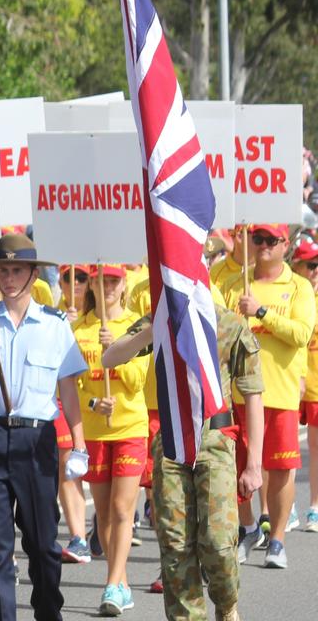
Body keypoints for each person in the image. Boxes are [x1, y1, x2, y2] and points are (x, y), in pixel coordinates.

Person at [102, 303, 264, 621]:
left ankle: (226, 602)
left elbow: (253, 394)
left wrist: (253, 464)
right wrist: (153, 330)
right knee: (176, 544)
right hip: (172, 441)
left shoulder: (230, 323)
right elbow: (111, 357)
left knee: (218, 542)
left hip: (216, 440)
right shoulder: (162, 318)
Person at [0, 233, 88, 621]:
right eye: (2, 269)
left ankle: (48, 615)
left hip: (36, 439)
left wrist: (80, 444)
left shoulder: (54, 325)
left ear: (33, 274)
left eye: (17, 269)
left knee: (42, 544)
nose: (8, 277)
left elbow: (67, 388)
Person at [222, 223, 315, 568]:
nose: (262, 245)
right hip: (240, 393)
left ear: (284, 244)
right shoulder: (234, 283)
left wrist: (261, 312)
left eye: (270, 240)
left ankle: (277, 538)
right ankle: (248, 527)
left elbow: (302, 334)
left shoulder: (299, 286)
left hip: (279, 392)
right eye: (257, 238)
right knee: (236, 467)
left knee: (279, 469)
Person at [71, 264, 147, 614]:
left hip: (130, 427)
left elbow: (137, 381)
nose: (108, 287)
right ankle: (121, 580)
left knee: (121, 508)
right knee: (102, 513)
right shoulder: (78, 329)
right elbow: (74, 387)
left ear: (123, 284)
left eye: (114, 280)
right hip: (95, 430)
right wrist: (93, 403)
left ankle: (112, 585)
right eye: (101, 280)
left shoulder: (137, 324)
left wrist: (115, 350)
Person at [54, 263, 91, 563]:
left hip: (102, 410)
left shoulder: (102, 317)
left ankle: (107, 529)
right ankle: (78, 535)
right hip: (66, 405)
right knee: (68, 469)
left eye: (82, 277)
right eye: (69, 277)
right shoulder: (55, 315)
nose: (75, 283)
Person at [295, 238, 318, 530]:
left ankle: (314, 506)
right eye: (310, 265)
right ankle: (285, 507)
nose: (314, 270)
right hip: (291, 381)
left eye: (317, 265)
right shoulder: (292, 293)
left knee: (315, 447)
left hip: (313, 385)